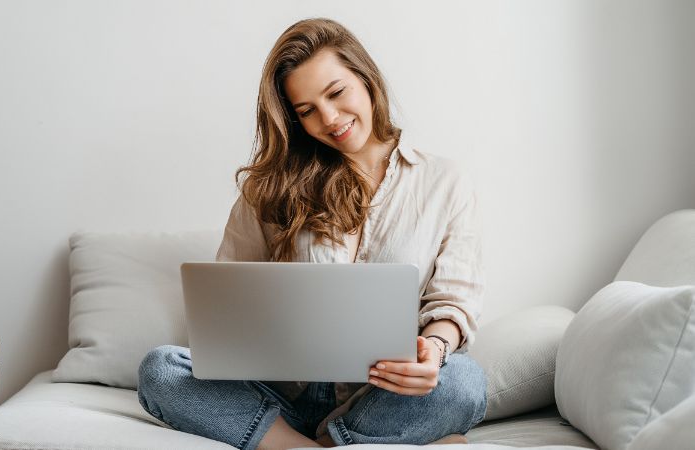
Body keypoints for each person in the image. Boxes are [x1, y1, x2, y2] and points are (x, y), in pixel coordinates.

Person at [137, 18, 487, 449]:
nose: (330, 118)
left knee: (465, 382)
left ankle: (316, 441)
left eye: (337, 93)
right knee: (160, 369)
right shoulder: (269, 186)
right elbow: (226, 299)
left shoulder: (445, 181)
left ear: (366, 77)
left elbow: (453, 302)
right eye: (306, 111)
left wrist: (434, 350)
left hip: (382, 393)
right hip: (283, 394)